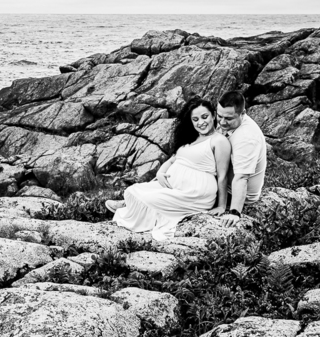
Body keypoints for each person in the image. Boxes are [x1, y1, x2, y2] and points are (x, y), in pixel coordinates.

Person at [107, 96, 231, 240]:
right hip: (173, 186)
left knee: (147, 198)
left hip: (196, 192)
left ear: (214, 115)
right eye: (195, 119)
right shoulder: (192, 137)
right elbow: (173, 159)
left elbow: (223, 175)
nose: (201, 123)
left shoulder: (219, 141)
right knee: (131, 190)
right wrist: (161, 172)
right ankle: (130, 206)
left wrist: (222, 206)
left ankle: (130, 209)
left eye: (205, 117)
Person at [215, 90, 267, 227]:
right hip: (225, 182)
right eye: (219, 116)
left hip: (235, 193)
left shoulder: (246, 137)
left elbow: (241, 178)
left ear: (243, 114)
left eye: (228, 118)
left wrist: (234, 212)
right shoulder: (228, 123)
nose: (222, 122)